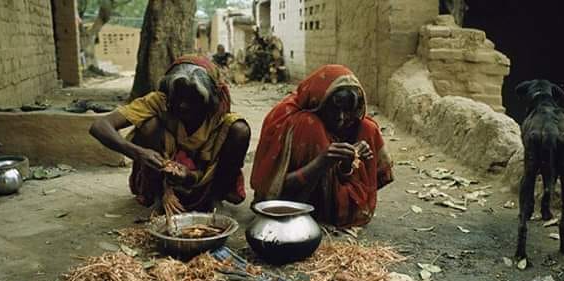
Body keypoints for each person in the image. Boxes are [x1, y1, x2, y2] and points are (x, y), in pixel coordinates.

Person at [89, 55, 250, 214]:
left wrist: (190, 174)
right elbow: (100, 126)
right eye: (178, 97)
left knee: (239, 130)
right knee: (149, 125)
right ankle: (158, 194)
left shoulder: (216, 109)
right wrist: (138, 153)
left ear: (208, 99)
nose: (183, 105)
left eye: (192, 100)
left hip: (204, 175)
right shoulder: (160, 100)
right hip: (163, 171)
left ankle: (213, 198)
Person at [250, 65, 393, 228]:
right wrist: (321, 162)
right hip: (289, 198)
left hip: (335, 194)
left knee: (368, 127)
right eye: (334, 110)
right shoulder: (295, 120)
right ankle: (313, 213)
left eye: (347, 111)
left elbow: (345, 177)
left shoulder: (353, 124)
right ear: (317, 103)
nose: (341, 118)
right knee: (310, 126)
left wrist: (348, 163)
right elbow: (273, 188)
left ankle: (340, 211)